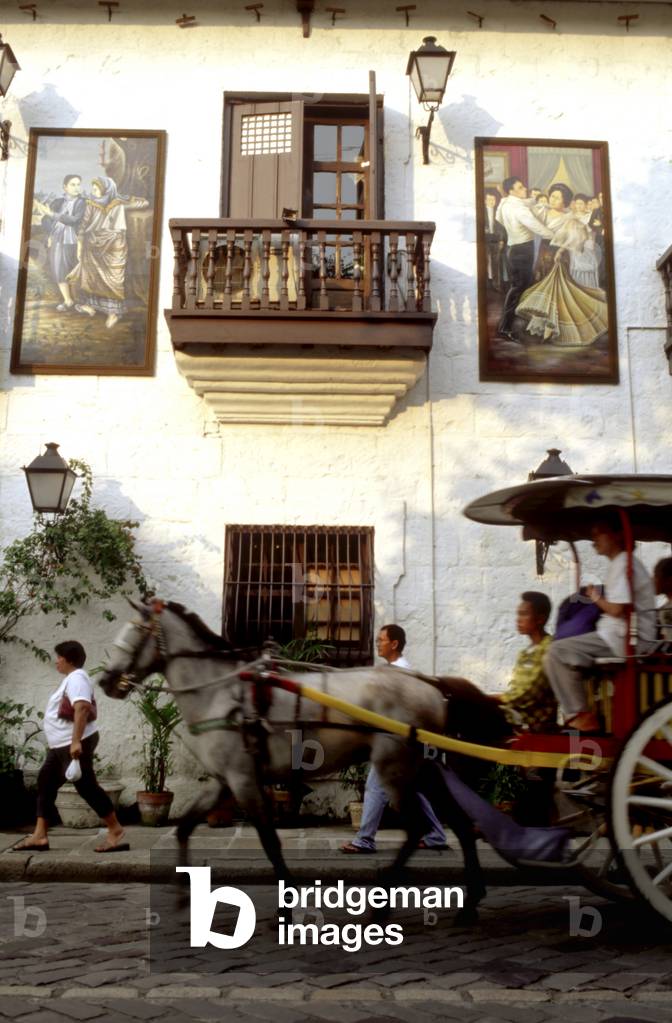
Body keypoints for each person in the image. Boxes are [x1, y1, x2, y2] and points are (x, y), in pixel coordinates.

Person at [12, 640, 129, 854]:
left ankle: (116, 830)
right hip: (60, 745)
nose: (56, 661)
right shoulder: (70, 679)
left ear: (69, 659)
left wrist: (76, 741)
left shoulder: (77, 678)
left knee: (86, 787)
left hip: (72, 743)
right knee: (45, 783)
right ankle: (39, 836)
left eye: (59, 657)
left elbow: (82, 708)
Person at [341, 625, 448, 854]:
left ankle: (365, 840)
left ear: (394, 644)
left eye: (381, 640)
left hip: (395, 743)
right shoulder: (392, 671)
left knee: (375, 787)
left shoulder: (400, 673)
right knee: (411, 788)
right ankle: (436, 836)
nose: (377, 643)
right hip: (397, 741)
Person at [544, 516, 657, 733]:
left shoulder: (624, 563)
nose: (594, 540)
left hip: (623, 638)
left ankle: (579, 715)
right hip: (618, 635)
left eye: (599, 533)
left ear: (616, 535)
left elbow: (616, 610)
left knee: (556, 652)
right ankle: (588, 710)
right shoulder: (622, 563)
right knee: (564, 649)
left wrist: (594, 597)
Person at [67, 175, 149, 329]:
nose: (93, 191)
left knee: (113, 279)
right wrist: (80, 245)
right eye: (93, 188)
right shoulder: (91, 205)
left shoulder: (118, 203)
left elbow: (144, 202)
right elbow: (84, 226)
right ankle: (89, 306)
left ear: (106, 189)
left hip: (114, 246)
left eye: (96, 188)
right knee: (92, 277)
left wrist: (124, 197)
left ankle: (113, 313)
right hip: (92, 246)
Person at [495, 176, 554, 343]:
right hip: (522, 251)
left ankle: (512, 323)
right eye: (520, 187)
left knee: (519, 287)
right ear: (512, 191)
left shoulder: (506, 202)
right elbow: (536, 227)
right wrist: (554, 236)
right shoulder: (519, 209)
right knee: (518, 289)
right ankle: (506, 328)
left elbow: (499, 218)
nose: (524, 188)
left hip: (513, 250)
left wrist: (540, 203)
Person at [491, 592, 557, 731]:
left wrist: (492, 699)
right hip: (516, 713)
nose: (518, 620)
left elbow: (529, 693)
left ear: (540, 619)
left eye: (524, 614)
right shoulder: (524, 653)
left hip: (534, 722)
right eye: (518, 614)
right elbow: (515, 688)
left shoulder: (549, 647)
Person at [33, 174, 86, 312]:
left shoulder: (82, 203)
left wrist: (52, 215)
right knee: (58, 269)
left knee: (73, 269)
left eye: (78, 184)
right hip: (57, 239)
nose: (76, 187)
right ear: (65, 187)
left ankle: (80, 301)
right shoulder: (57, 202)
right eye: (73, 184)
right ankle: (68, 300)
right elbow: (46, 219)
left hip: (74, 239)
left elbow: (74, 220)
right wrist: (50, 233)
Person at [484, 188, 506, 292]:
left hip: (496, 240)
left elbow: (502, 228)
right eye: (489, 199)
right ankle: (484, 285)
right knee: (484, 262)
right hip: (484, 240)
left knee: (496, 263)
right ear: (485, 200)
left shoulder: (499, 211)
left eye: (493, 200)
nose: (491, 202)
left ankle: (497, 285)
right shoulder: (480, 212)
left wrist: (501, 240)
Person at [654, 557, 672, 641]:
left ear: (669, 580)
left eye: (657, 576)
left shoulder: (667, 609)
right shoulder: (665, 608)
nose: (654, 580)